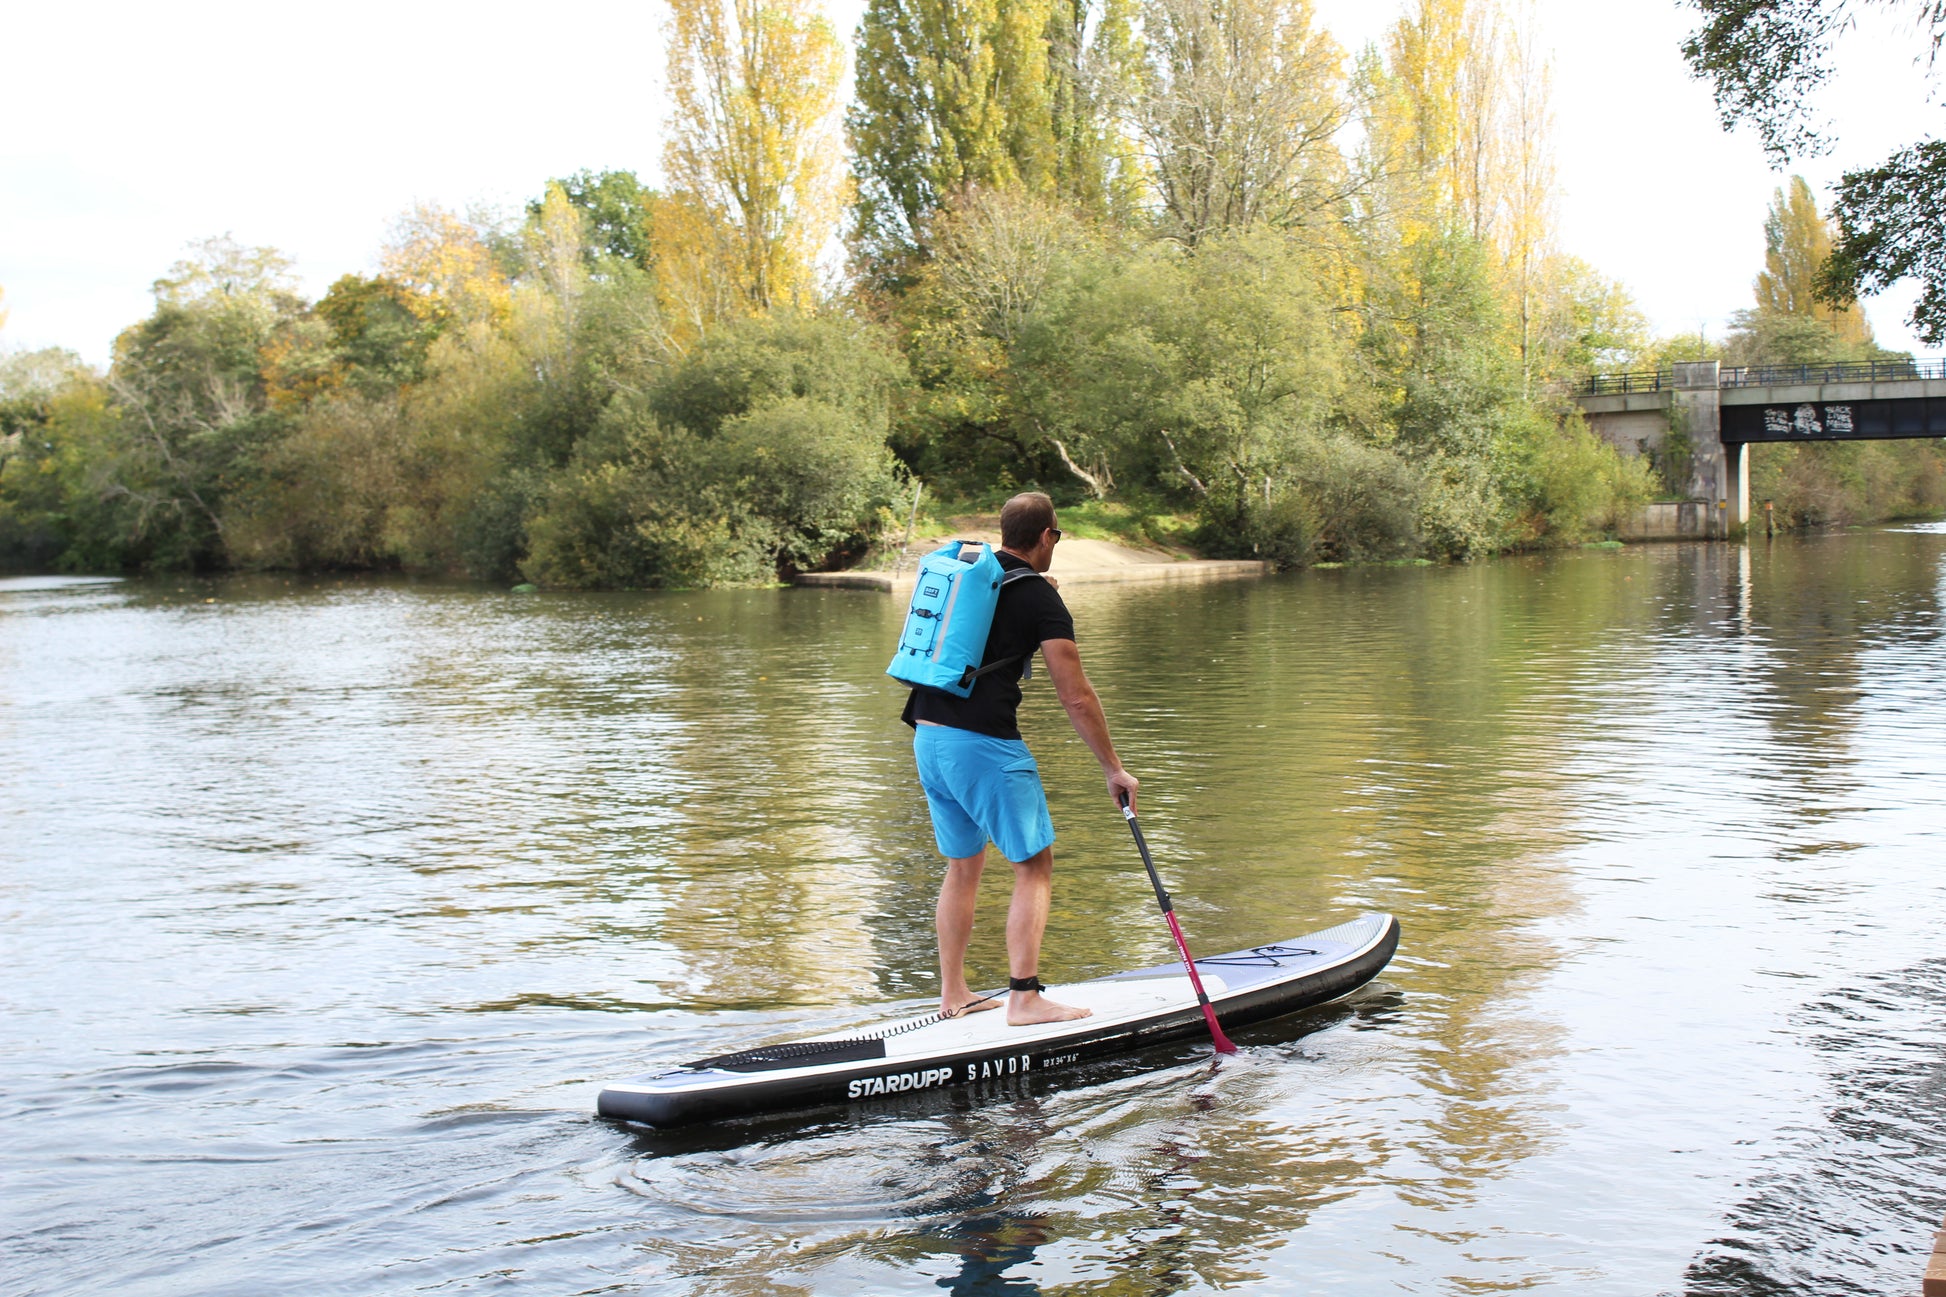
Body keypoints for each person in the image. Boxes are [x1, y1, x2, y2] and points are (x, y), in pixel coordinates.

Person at [902, 491, 1139, 1025]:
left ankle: (954, 993)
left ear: (1004, 532)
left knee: (963, 865)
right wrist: (1112, 768)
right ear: (1047, 536)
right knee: (1033, 865)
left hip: (928, 735)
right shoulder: (1039, 598)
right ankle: (1025, 998)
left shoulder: (978, 581)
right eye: (1058, 535)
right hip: (983, 744)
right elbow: (1075, 695)